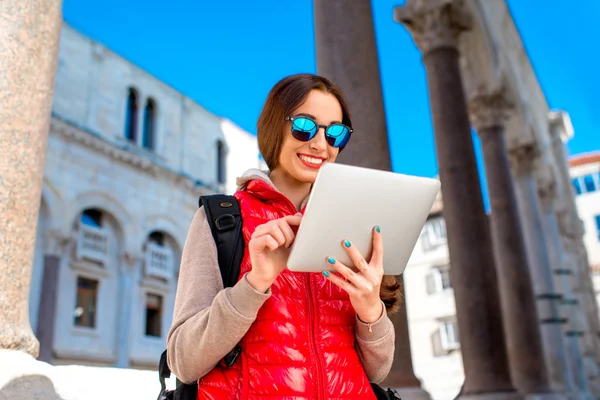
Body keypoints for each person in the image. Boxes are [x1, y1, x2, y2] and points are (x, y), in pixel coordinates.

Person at [167, 73, 401, 399]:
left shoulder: (354, 222)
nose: (320, 144)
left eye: (335, 133)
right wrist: (254, 285)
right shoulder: (222, 220)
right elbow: (183, 361)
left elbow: (376, 371)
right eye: (305, 126)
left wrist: (370, 310)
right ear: (276, 125)